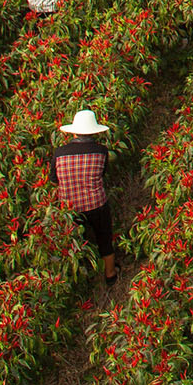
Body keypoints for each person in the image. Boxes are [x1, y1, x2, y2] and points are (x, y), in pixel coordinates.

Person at [52, 110, 117, 281]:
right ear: (94, 132)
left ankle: (79, 277)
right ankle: (110, 274)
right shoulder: (101, 151)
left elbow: (54, 180)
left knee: (73, 243)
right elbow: (102, 174)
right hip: (96, 204)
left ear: (73, 131)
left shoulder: (59, 153)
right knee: (104, 238)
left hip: (70, 208)